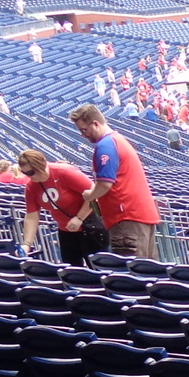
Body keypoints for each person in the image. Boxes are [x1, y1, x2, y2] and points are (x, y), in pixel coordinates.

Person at [67, 102, 160, 259]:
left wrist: (90, 195)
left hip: (125, 218)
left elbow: (104, 183)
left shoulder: (105, 145)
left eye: (84, 130)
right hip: (137, 215)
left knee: (133, 275)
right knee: (148, 272)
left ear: (95, 123)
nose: (83, 135)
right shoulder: (116, 139)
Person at [19, 149, 103, 267]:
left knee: (98, 267)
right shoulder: (31, 186)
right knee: (72, 270)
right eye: (25, 173)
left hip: (90, 226)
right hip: (66, 230)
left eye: (31, 173)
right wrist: (27, 244)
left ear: (40, 166)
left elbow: (94, 192)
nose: (28, 176)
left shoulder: (64, 172)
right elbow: (32, 216)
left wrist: (79, 218)